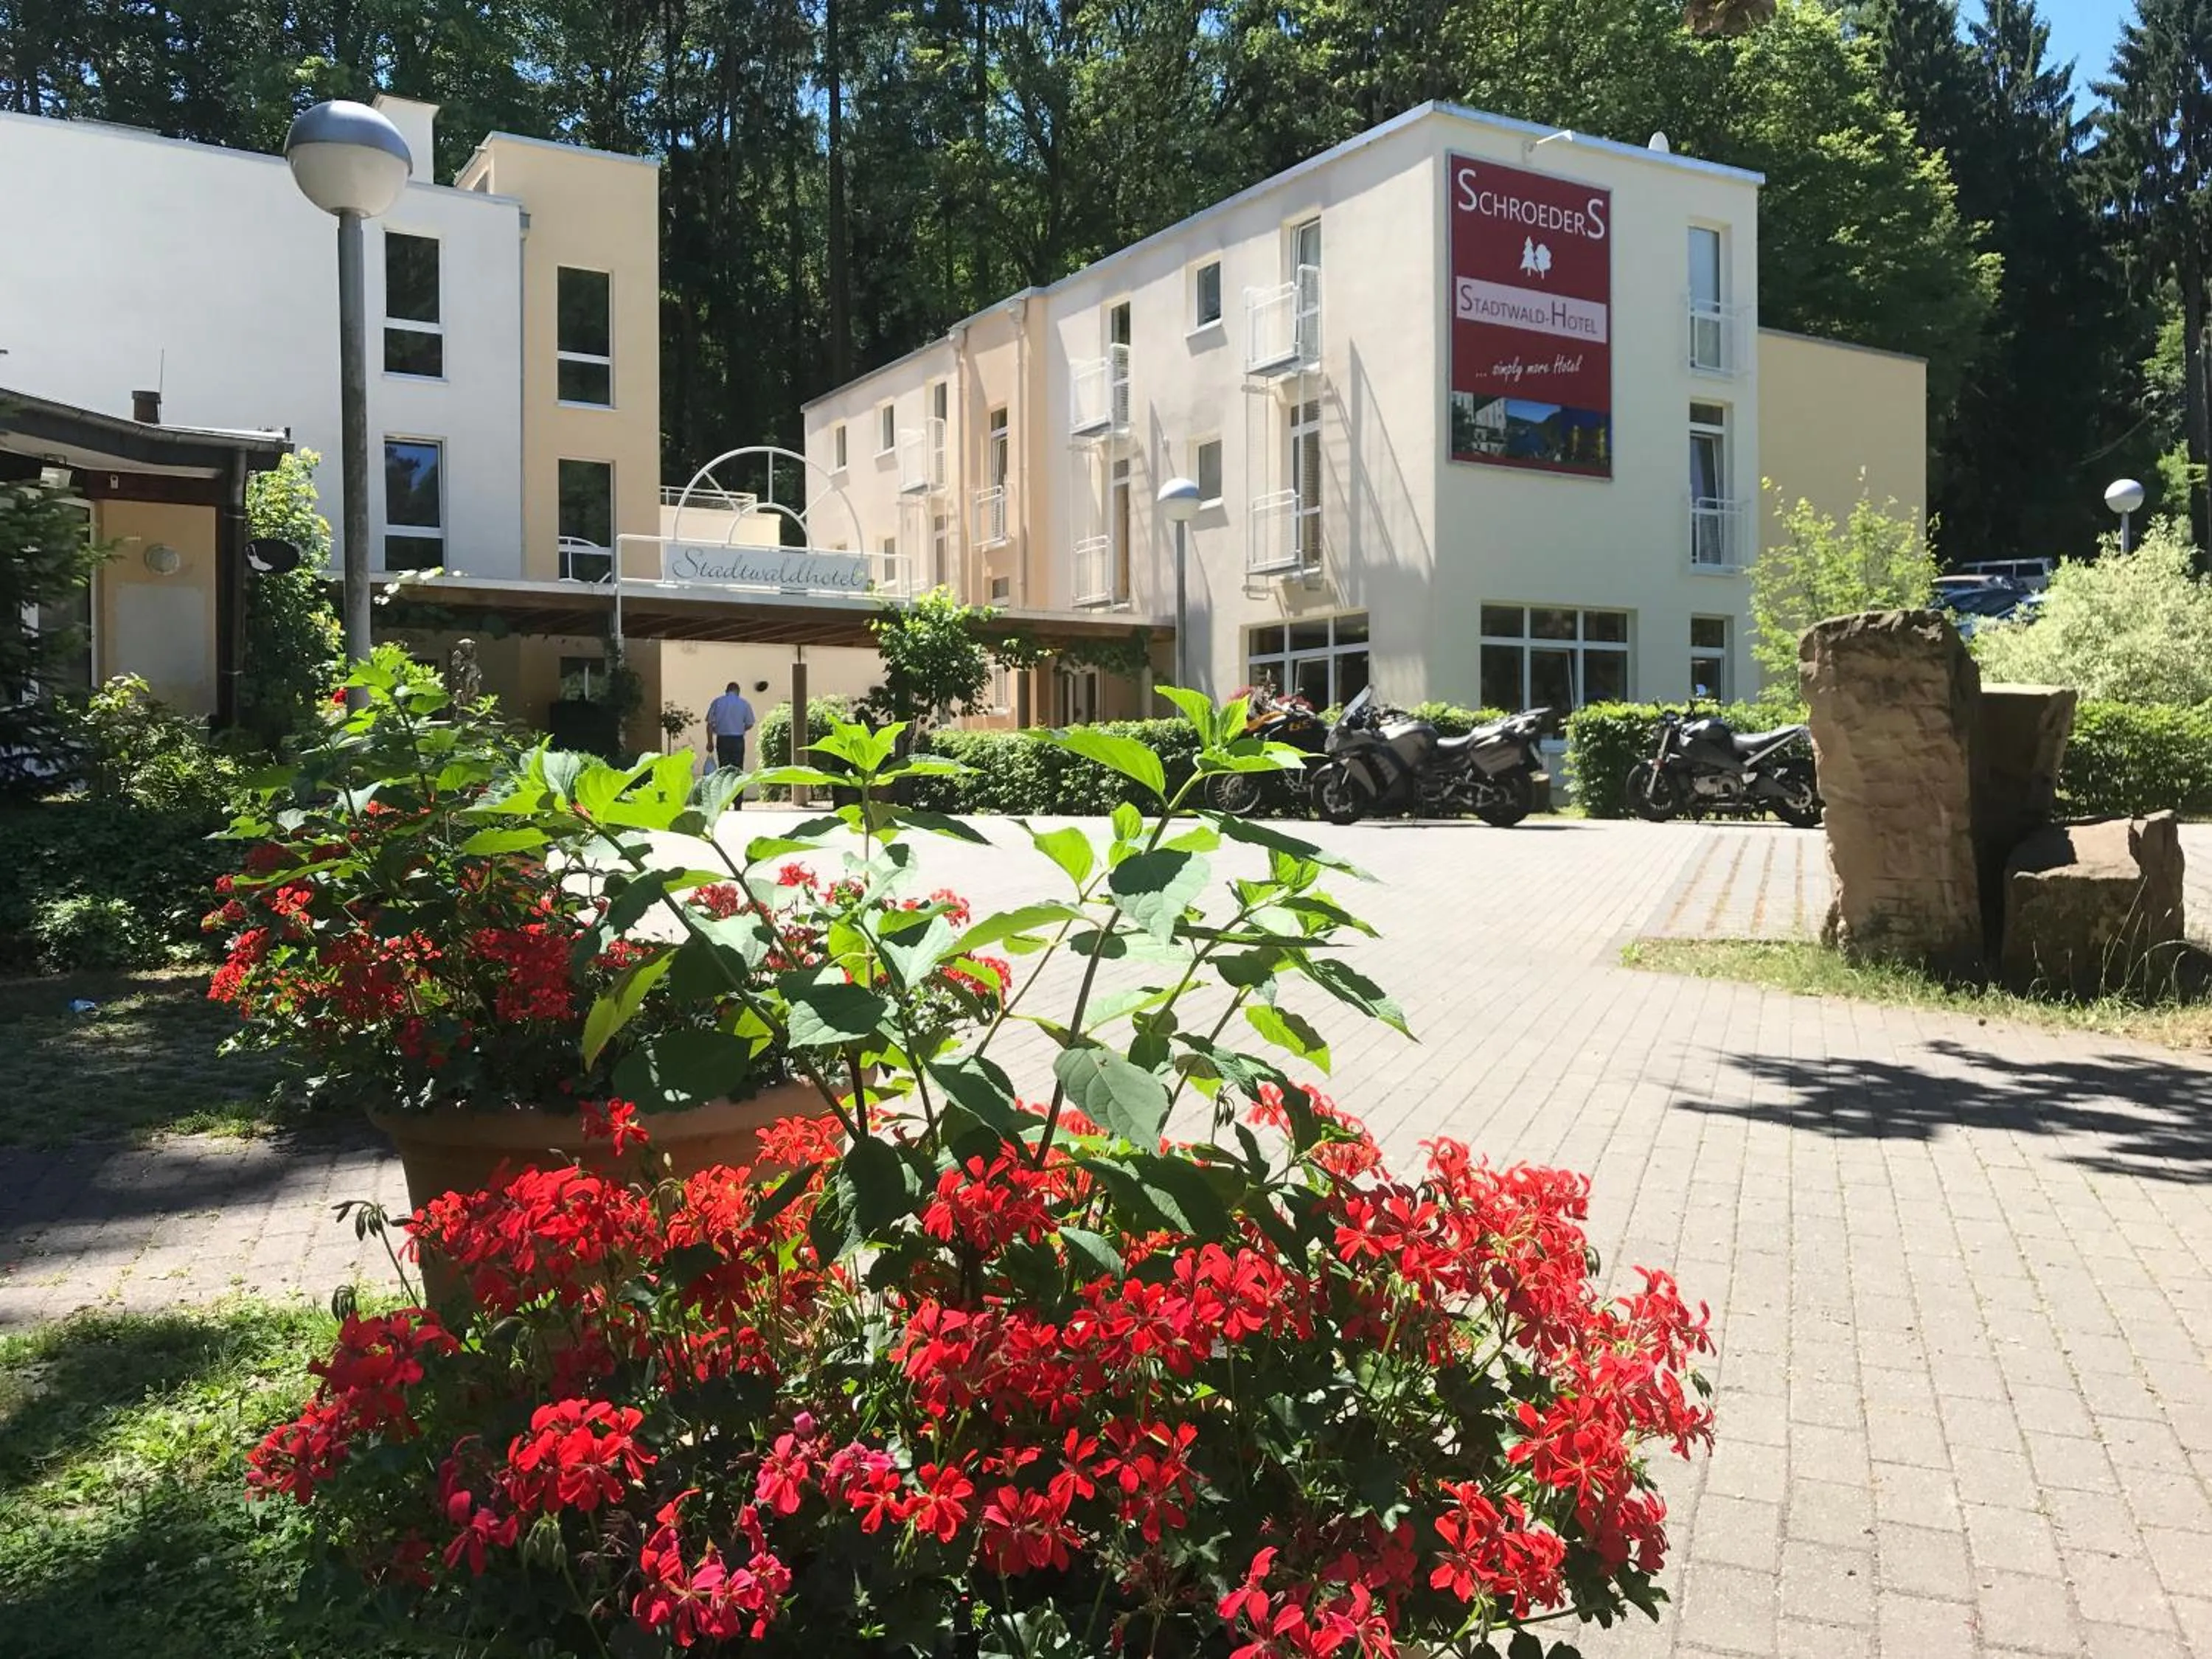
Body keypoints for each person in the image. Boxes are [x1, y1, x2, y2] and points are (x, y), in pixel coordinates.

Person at [706, 681, 757, 778]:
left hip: (722, 739)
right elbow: (750, 724)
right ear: (738, 691)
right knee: (737, 769)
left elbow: (709, 724)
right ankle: (738, 792)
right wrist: (740, 728)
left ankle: (725, 792)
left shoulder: (717, 702)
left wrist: (710, 742)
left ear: (726, 691)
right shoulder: (744, 703)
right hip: (738, 740)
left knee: (724, 769)